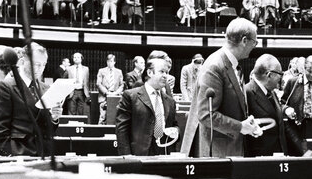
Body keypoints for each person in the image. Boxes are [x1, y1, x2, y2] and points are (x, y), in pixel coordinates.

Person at [180, 18, 263, 157]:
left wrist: (247, 124)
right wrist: (240, 126)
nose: (255, 46)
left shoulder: (233, 65)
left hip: (230, 149)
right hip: (217, 151)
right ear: (244, 41)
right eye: (254, 42)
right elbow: (206, 115)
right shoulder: (214, 66)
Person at [0, 43, 62, 156]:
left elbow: (47, 129)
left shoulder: (46, 88)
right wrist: (10, 152)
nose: (40, 69)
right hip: (18, 152)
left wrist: (53, 118)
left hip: (43, 152)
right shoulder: (6, 86)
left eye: (43, 64)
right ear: (23, 62)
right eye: (36, 64)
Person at [115, 58, 177, 156]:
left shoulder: (170, 101)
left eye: (166, 72)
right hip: (138, 155)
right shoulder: (131, 96)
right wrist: (126, 156)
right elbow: (122, 130)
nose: (165, 76)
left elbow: (174, 125)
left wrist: (175, 131)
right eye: (161, 71)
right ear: (149, 72)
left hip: (164, 154)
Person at [245, 54, 301, 157]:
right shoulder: (246, 93)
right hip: (258, 160)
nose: (281, 77)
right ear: (269, 75)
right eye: (280, 73)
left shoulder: (272, 92)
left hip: (278, 157)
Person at [96, 54, 124, 125]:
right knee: (102, 117)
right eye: (108, 61)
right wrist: (106, 92)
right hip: (104, 97)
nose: (109, 63)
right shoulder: (101, 71)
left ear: (114, 62)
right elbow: (98, 83)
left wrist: (116, 93)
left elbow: (122, 85)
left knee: (115, 117)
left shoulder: (119, 72)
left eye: (111, 61)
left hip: (115, 97)